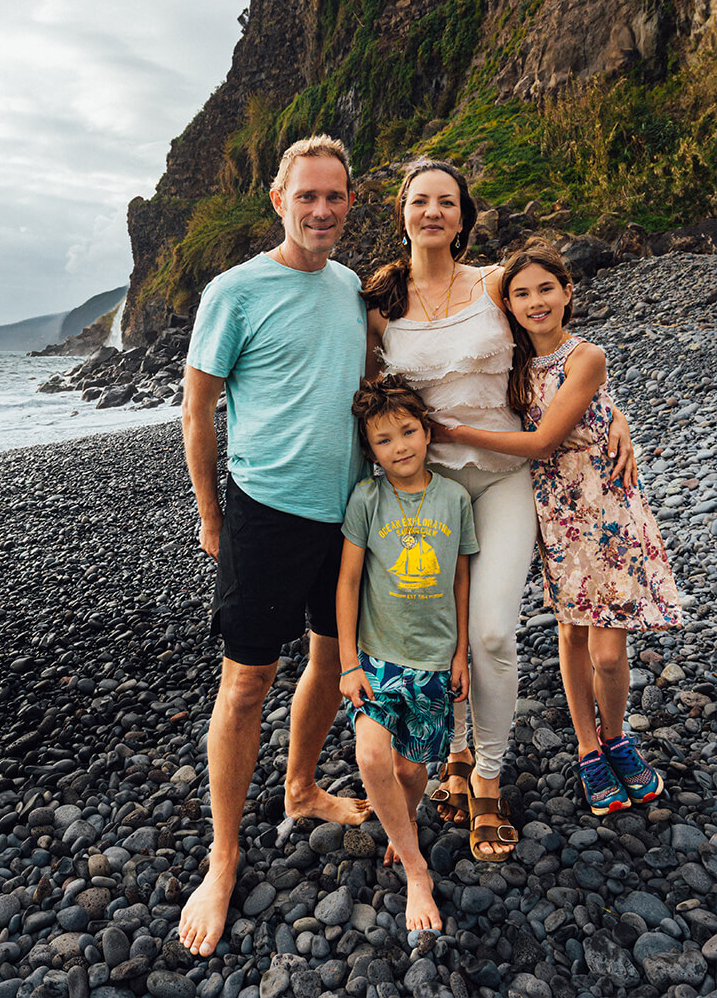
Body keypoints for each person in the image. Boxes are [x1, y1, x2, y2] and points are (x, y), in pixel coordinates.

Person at [363, 160, 637, 859]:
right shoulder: (377, 304)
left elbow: (557, 346)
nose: (432, 212)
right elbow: (359, 392)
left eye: (445, 202)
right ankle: (453, 754)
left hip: (507, 476)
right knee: (440, 630)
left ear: (462, 216)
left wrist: (614, 414)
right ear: (403, 211)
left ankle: (487, 777)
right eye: (420, 201)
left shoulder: (491, 282)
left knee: (489, 635)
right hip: (429, 494)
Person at [178, 135, 370, 957]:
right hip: (264, 510)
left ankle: (299, 787)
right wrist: (211, 517)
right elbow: (197, 409)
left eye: (334, 197)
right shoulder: (235, 290)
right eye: (306, 197)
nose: (320, 210)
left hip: (347, 516)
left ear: (350, 203)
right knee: (248, 683)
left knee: (330, 660)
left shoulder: (354, 288)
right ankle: (222, 858)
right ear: (279, 199)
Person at [444, 238, 681, 815]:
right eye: (521, 293)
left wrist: (452, 431)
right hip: (556, 508)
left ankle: (617, 736)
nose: (534, 301)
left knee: (607, 650)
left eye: (546, 288)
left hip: (608, 508)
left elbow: (546, 438)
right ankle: (586, 746)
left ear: (568, 292)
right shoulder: (514, 361)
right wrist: (616, 413)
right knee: (571, 632)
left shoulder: (587, 356)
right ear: (511, 305)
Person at [337, 375, 477, 929]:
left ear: (426, 432)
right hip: (375, 657)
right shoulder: (367, 498)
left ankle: (406, 820)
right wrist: (348, 661)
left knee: (411, 770)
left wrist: (461, 651)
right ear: (368, 450)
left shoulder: (455, 497)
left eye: (408, 432)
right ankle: (417, 870)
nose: (400, 447)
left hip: (434, 661)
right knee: (372, 757)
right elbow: (348, 583)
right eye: (383, 440)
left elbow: (461, 579)